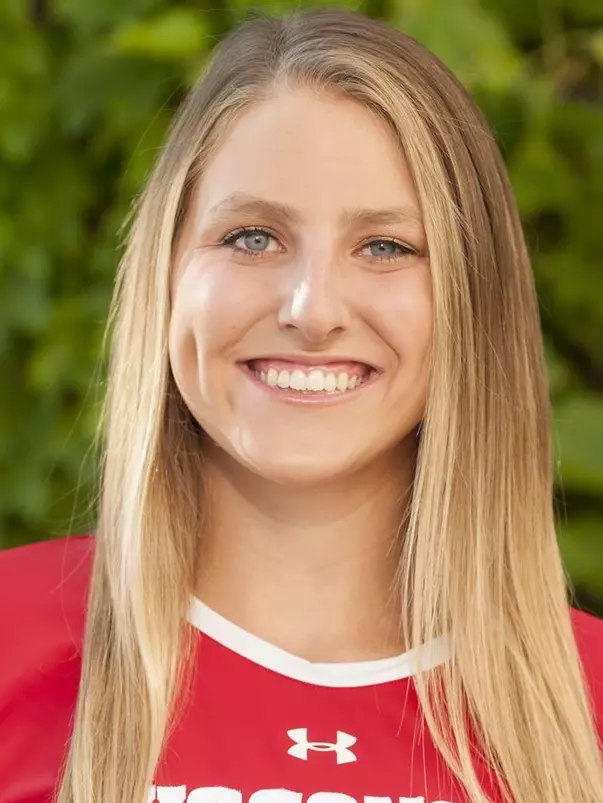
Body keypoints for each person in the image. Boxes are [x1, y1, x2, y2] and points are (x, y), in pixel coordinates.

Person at [0, 7, 602, 803]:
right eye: (252, 236)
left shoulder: (582, 705)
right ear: (168, 271)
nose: (312, 310)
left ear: (470, 299)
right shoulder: (13, 636)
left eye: (384, 246)